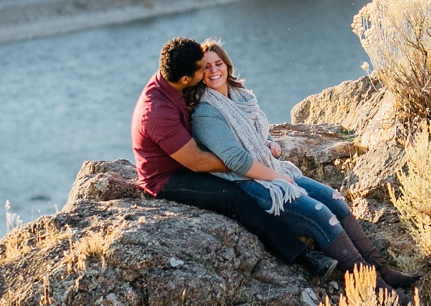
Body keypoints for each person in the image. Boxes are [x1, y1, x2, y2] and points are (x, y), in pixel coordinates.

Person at [188, 39, 422, 292]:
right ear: (197, 74)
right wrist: (275, 177)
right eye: (206, 67)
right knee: (320, 214)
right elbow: (235, 159)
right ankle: (376, 289)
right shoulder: (205, 112)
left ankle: (381, 269)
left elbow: (256, 135)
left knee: (334, 198)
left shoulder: (240, 97)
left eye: (218, 63)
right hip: (248, 182)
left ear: (227, 65)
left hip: (272, 169)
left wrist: (269, 143)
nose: (214, 71)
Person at [131, 37, 338, 279]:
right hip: (169, 176)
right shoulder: (157, 112)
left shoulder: (174, 73)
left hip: (189, 158)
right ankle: (303, 257)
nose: (210, 69)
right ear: (186, 80)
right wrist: (245, 161)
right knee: (232, 197)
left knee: (245, 177)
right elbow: (197, 162)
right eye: (203, 68)